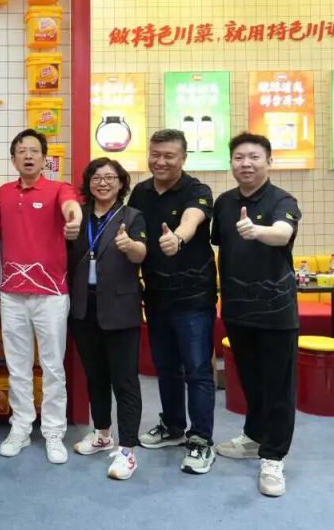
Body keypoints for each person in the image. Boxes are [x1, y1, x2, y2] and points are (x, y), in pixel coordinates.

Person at [211, 132, 301, 498]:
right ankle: (254, 436)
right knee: (250, 381)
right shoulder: (224, 203)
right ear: (231, 163)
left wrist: (257, 230)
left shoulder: (283, 200)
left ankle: (274, 456)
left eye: (254, 157)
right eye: (239, 157)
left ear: (269, 161)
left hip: (277, 311)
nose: (245, 163)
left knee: (278, 386)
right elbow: (221, 246)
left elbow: (282, 233)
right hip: (236, 308)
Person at [127, 129, 218, 474]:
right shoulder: (141, 192)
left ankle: (201, 439)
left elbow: (193, 219)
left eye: (169, 156)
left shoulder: (197, 190)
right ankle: (173, 426)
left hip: (193, 297)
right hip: (156, 295)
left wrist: (177, 237)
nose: (161, 161)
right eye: (155, 154)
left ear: (183, 158)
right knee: (165, 367)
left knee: (197, 370)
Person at [0, 129, 82, 464]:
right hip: (12, 294)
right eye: (21, 151)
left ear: (44, 158)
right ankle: (20, 427)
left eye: (34, 151)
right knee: (17, 366)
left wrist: (74, 219)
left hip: (51, 294)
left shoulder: (59, 189)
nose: (28, 156)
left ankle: (54, 432)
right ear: (13, 159)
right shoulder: (3, 194)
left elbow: (72, 208)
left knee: (52, 366)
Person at [67, 158, 146, 480]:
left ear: (121, 183)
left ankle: (128, 450)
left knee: (124, 380)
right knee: (95, 376)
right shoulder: (79, 216)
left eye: (110, 177)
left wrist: (130, 246)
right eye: (97, 177)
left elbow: (142, 253)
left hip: (120, 309)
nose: (103, 183)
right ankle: (102, 434)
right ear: (88, 183)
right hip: (84, 307)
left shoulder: (132, 216)